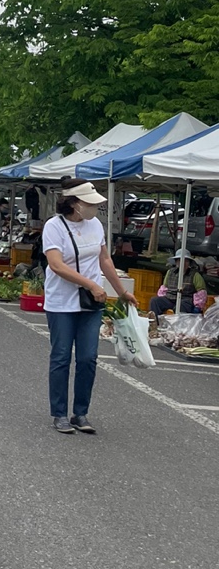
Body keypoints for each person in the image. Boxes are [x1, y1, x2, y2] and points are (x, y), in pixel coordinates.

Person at [43, 178, 137, 436]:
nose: (94, 208)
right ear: (74, 204)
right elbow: (56, 265)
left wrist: (121, 291)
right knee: (61, 357)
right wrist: (91, 285)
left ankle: (80, 412)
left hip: (92, 302)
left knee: (88, 358)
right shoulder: (54, 227)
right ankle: (59, 413)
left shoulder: (95, 225)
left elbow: (104, 258)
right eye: (89, 203)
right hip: (62, 301)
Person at [150, 250, 208, 318]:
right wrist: (162, 297)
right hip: (170, 299)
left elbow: (201, 293)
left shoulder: (195, 275)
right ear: (176, 262)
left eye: (186, 261)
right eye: (180, 260)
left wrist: (198, 306)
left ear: (189, 263)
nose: (183, 263)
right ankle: (155, 322)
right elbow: (164, 288)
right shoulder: (170, 272)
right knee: (155, 301)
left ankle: (179, 326)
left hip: (185, 300)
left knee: (181, 306)